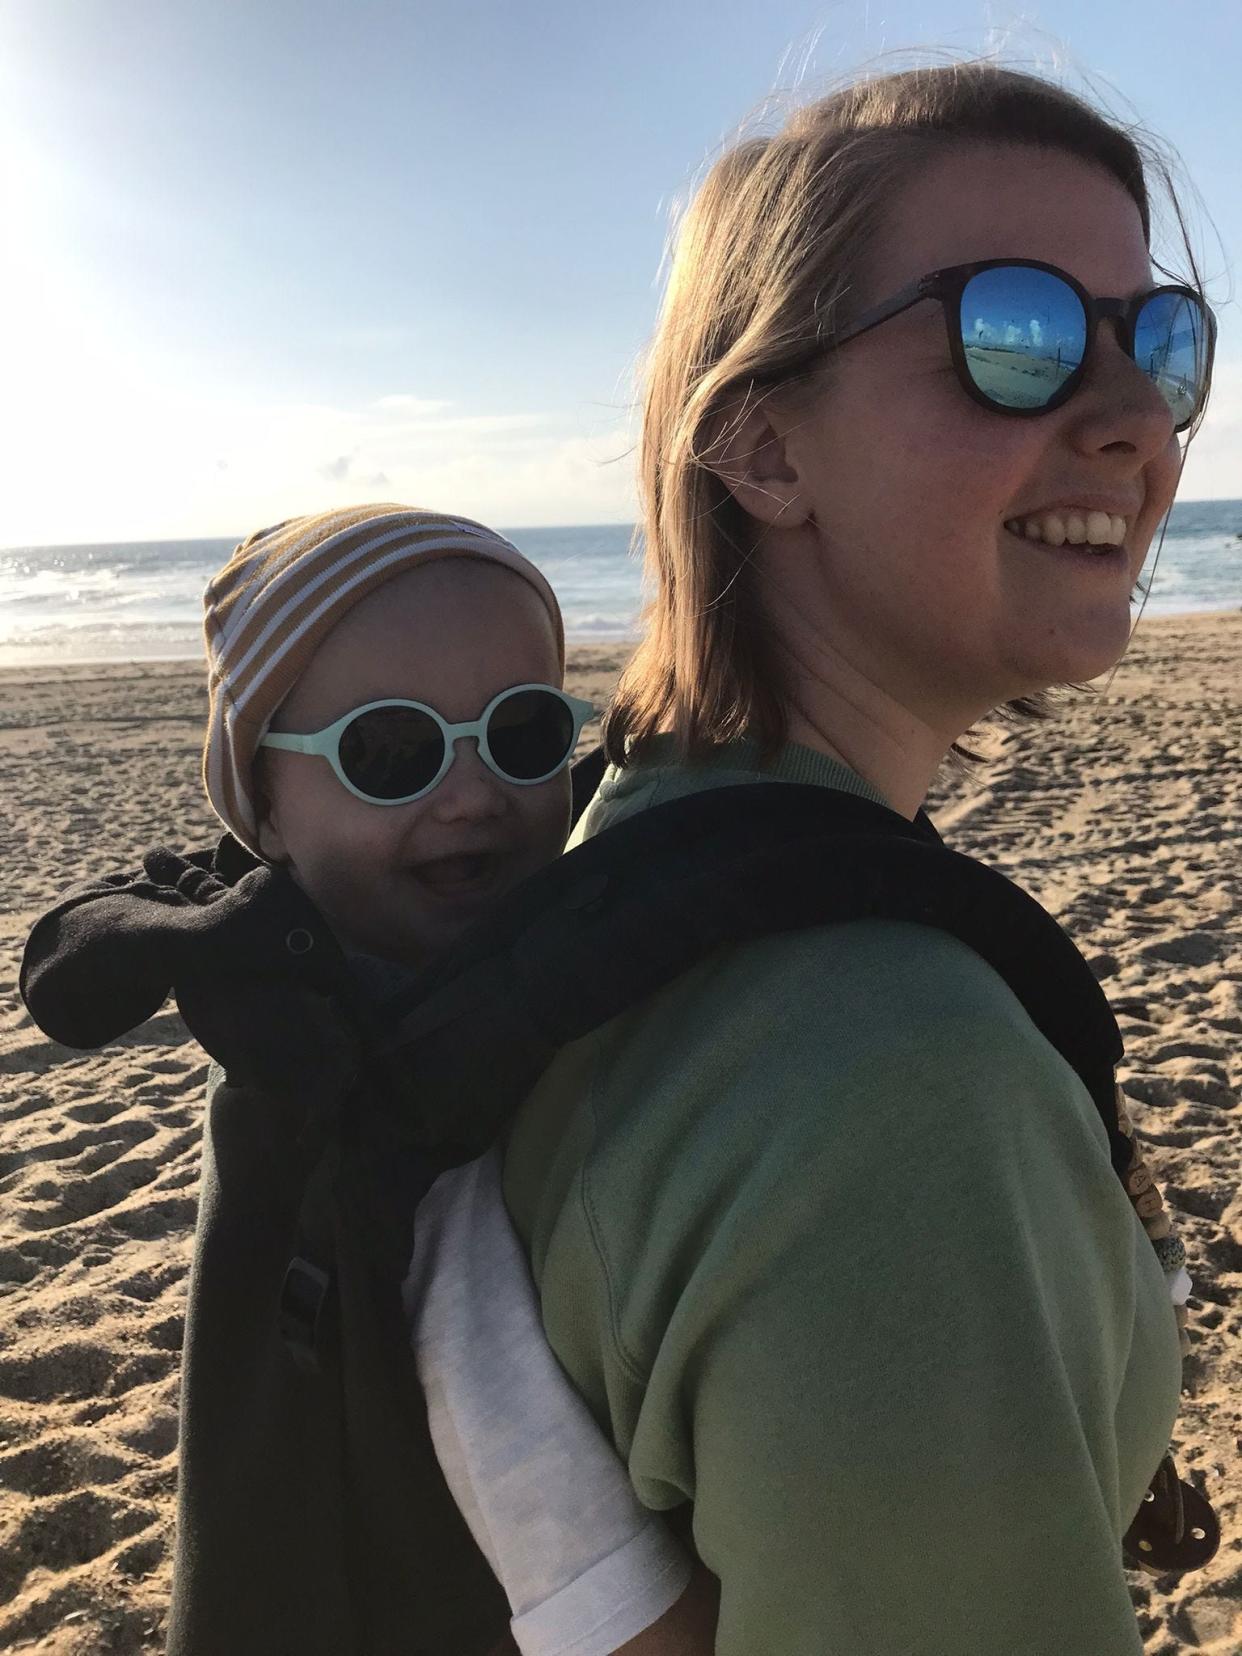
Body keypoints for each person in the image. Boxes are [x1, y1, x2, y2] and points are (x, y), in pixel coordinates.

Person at [469, 61, 1215, 1656]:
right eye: (1008, 335)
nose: (1133, 423)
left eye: (1156, 343)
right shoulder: (889, 1079)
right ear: (759, 447)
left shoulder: (630, 840)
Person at [18, 503, 717, 1655]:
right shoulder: (397, 1096)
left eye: (525, 731)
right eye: (389, 751)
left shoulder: (291, 991)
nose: (472, 792)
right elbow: (593, 1575)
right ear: (267, 811)